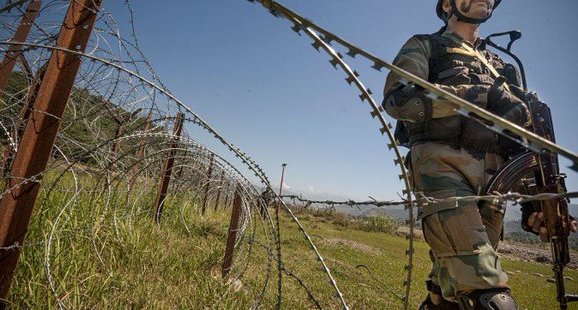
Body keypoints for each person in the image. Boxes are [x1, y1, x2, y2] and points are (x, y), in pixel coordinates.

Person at [383, 0, 530, 309]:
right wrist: (479, 95)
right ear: (448, 4)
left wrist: (533, 200)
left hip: (497, 182)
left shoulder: (504, 66)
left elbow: (522, 138)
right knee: (486, 291)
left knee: (450, 286)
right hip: (442, 166)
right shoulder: (427, 46)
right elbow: (400, 100)